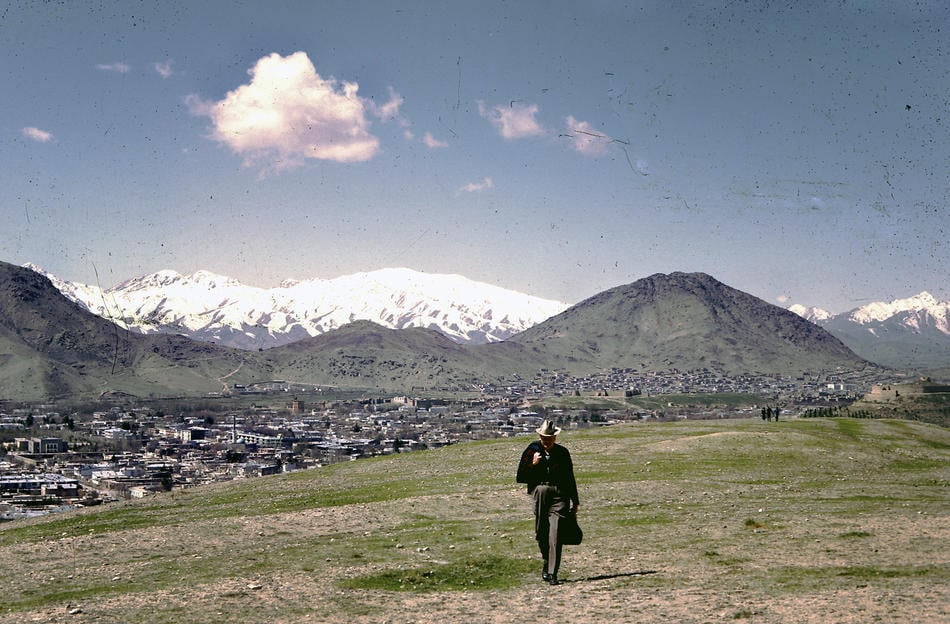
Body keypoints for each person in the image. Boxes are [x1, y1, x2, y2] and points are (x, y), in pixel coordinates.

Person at [516, 419, 579, 585]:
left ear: (555, 438)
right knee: (541, 532)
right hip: (540, 494)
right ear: (539, 437)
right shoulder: (531, 451)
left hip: (560, 495)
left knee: (556, 533)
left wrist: (575, 501)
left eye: (550, 439)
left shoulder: (563, 453)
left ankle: (552, 573)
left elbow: (569, 477)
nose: (547, 442)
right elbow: (521, 476)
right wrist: (533, 464)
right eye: (544, 439)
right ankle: (546, 560)